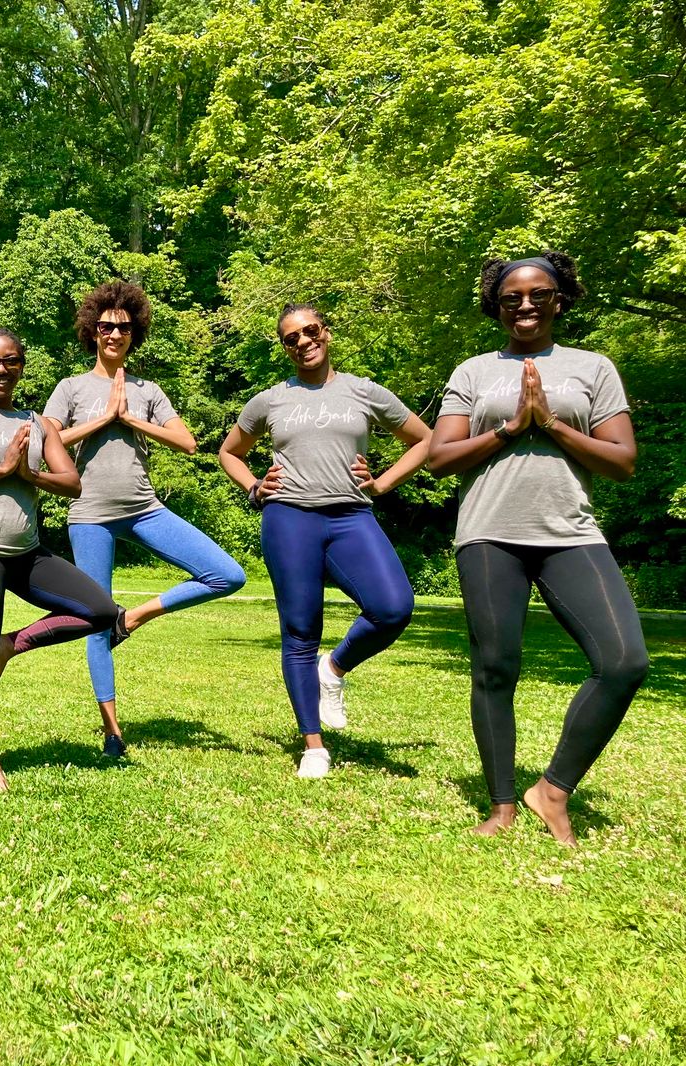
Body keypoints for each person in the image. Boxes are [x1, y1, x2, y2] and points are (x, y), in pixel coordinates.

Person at [428, 253, 648, 846]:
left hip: (570, 533)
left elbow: (623, 461)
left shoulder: (592, 367)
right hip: (489, 533)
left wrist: (548, 423)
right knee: (496, 668)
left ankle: (551, 790)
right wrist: (507, 428)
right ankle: (501, 804)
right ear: (496, 306)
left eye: (538, 294)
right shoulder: (474, 371)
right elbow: (439, 456)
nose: (525, 305)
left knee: (624, 660)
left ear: (559, 299)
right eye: (511, 298)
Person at [219, 303, 431, 779]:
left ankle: (332, 669)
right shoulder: (269, 400)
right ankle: (313, 745)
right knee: (299, 630)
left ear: (326, 333)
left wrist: (382, 484)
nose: (303, 342)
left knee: (393, 607)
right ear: (285, 348)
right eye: (291, 338)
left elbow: (424, 439)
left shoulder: (364, 390)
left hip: (351, 516)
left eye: (310, 331)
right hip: (289, 518)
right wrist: (255, 486)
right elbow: (229, 453)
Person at [44, 280, 246, 757]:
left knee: (227, 574)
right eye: (107, 326)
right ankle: (113, 732)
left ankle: (131, 618)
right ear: (92, 330)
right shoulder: (70, 388)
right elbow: (45, 441)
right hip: (89, 514)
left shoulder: (149, 390)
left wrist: (131, 418)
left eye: (125, 328)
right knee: (95, 619)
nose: (116, 334)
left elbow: (188, 442)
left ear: (135, 333)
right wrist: (104, 418)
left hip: (144, 508)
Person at [0, 330, 121, 792]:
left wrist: (29, 473)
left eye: (11, 361)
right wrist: (1, 469)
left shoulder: (38, 423)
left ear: (21, 366)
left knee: (102, 612)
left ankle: (10, 644)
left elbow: (71, 481)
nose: (1, 368)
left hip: (28, 553)